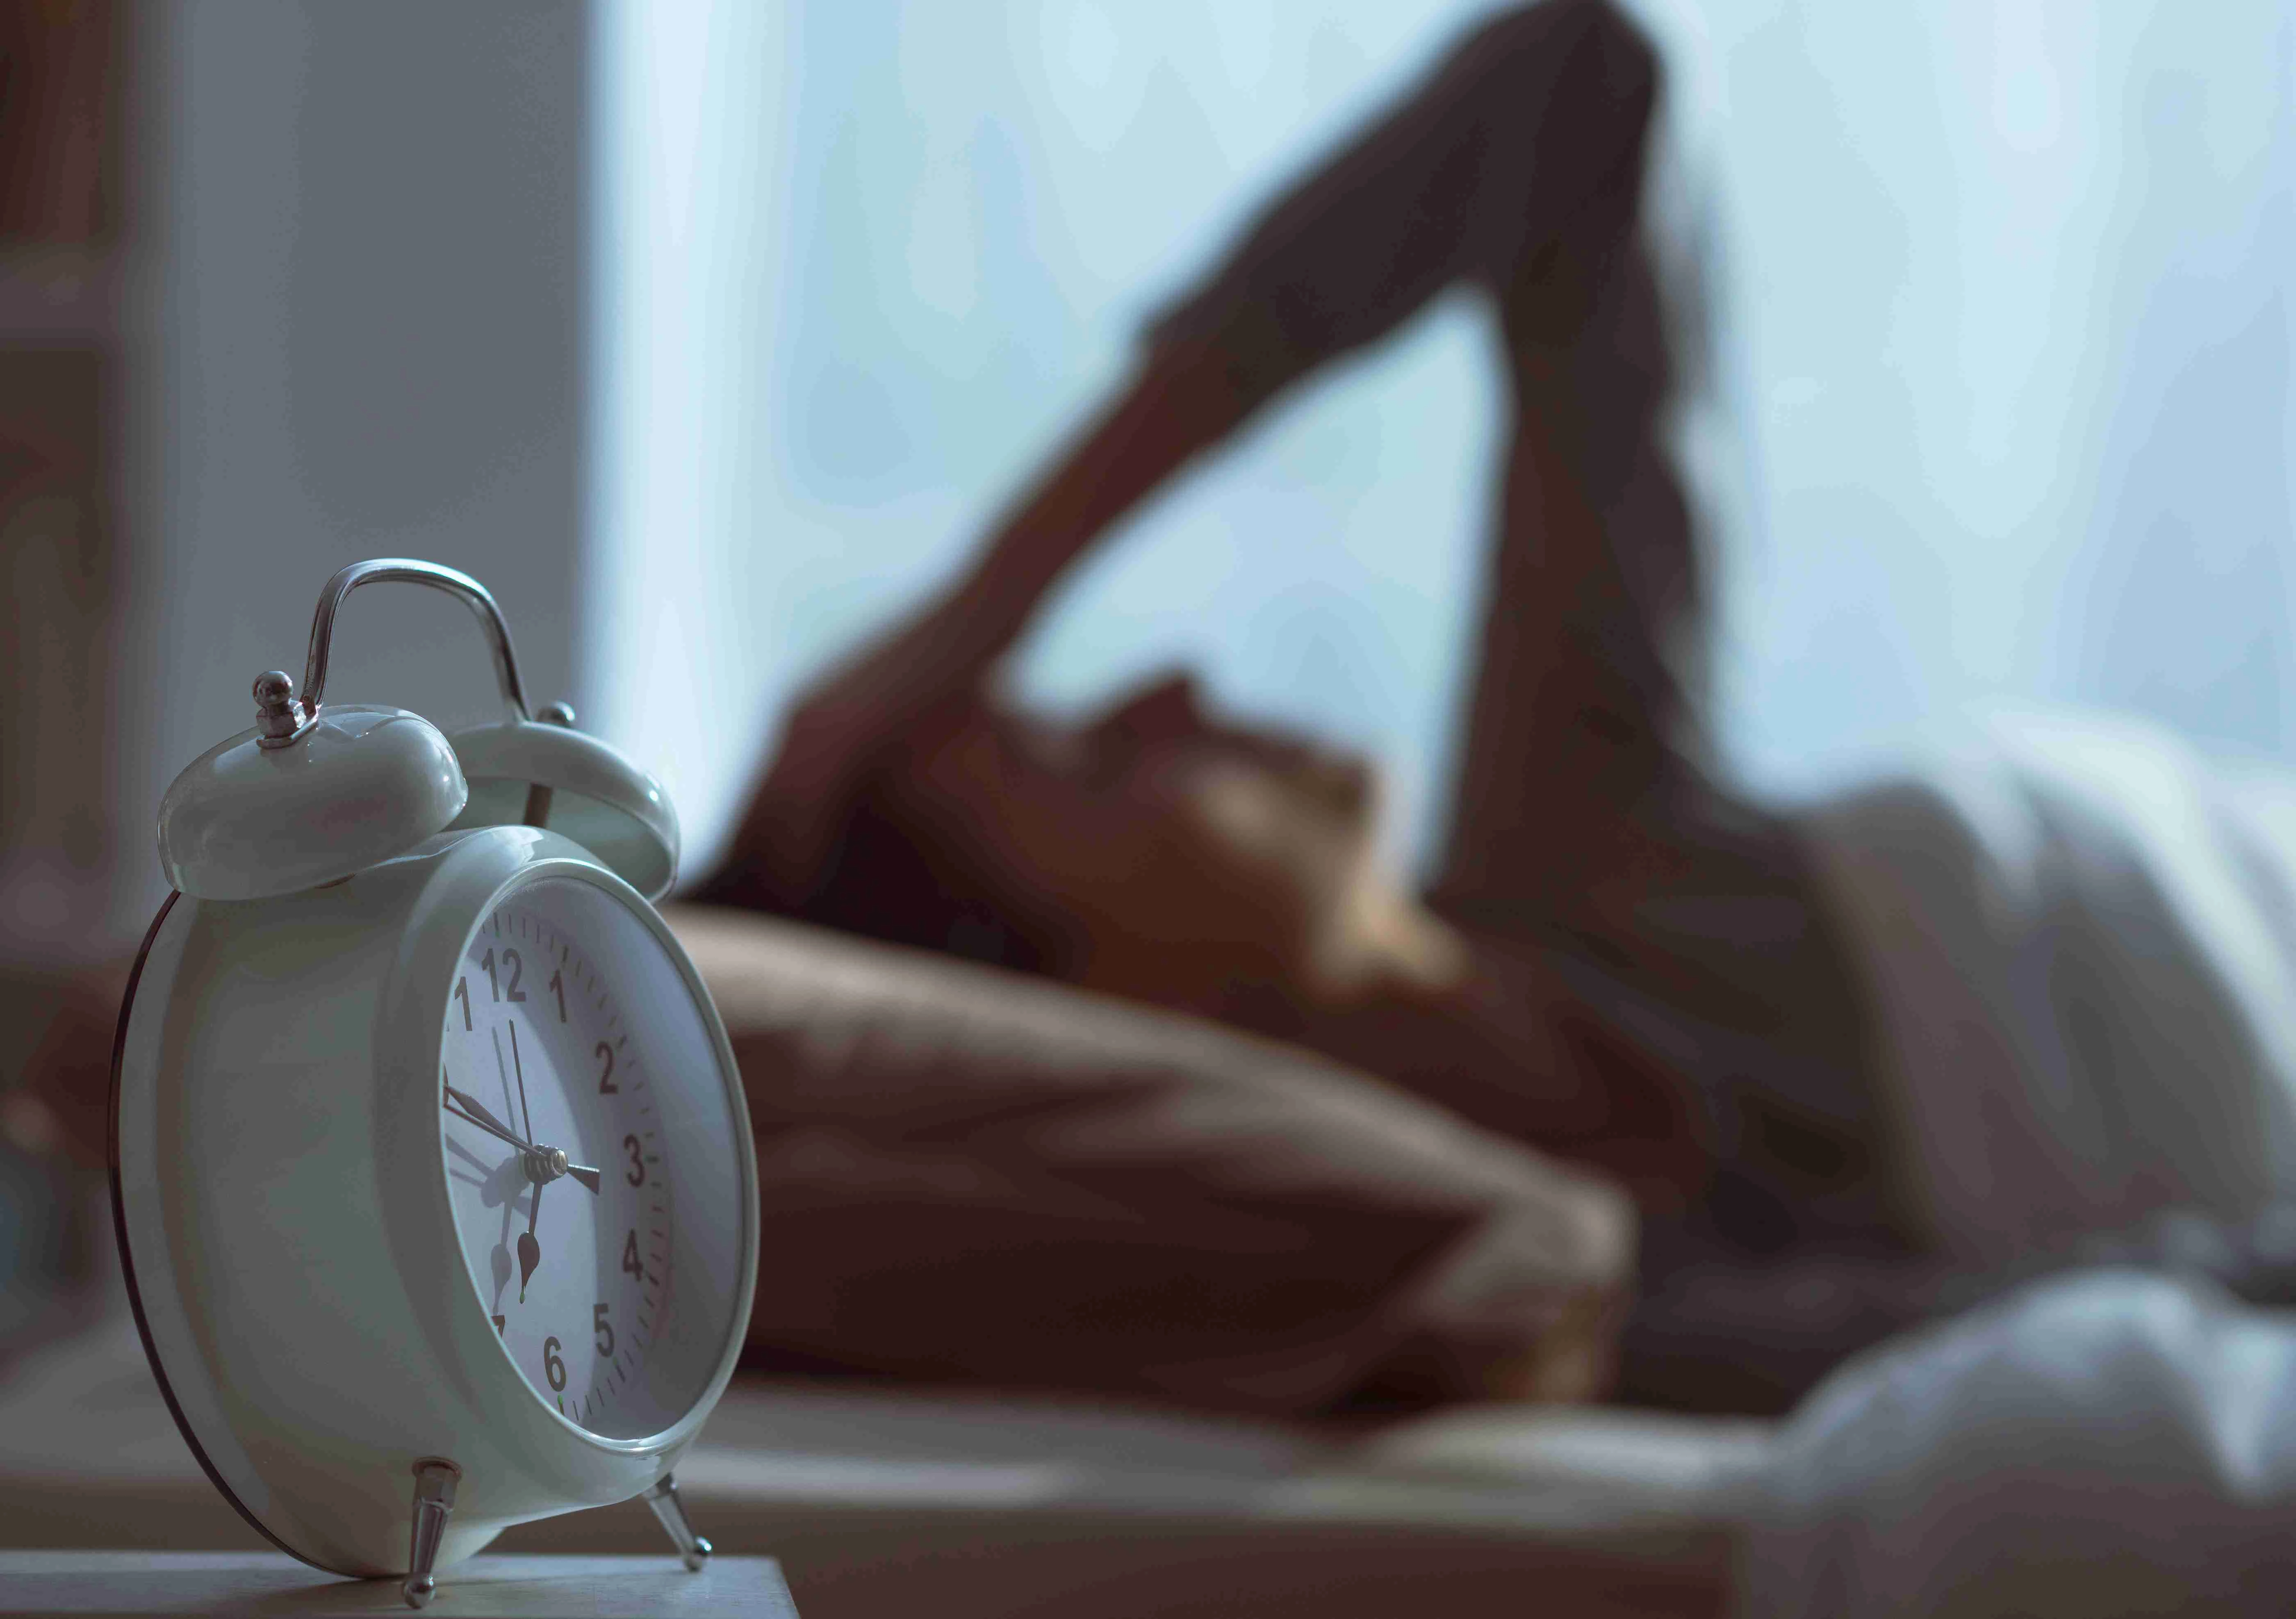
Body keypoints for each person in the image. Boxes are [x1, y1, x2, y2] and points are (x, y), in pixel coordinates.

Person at [699, 0, 1917, 1402]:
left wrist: (982, 601)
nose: (1173, 686)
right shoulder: (1588, 1283)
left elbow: (1580, 84)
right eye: (1097, 759)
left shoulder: (1591, 835)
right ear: (1110, 1003)